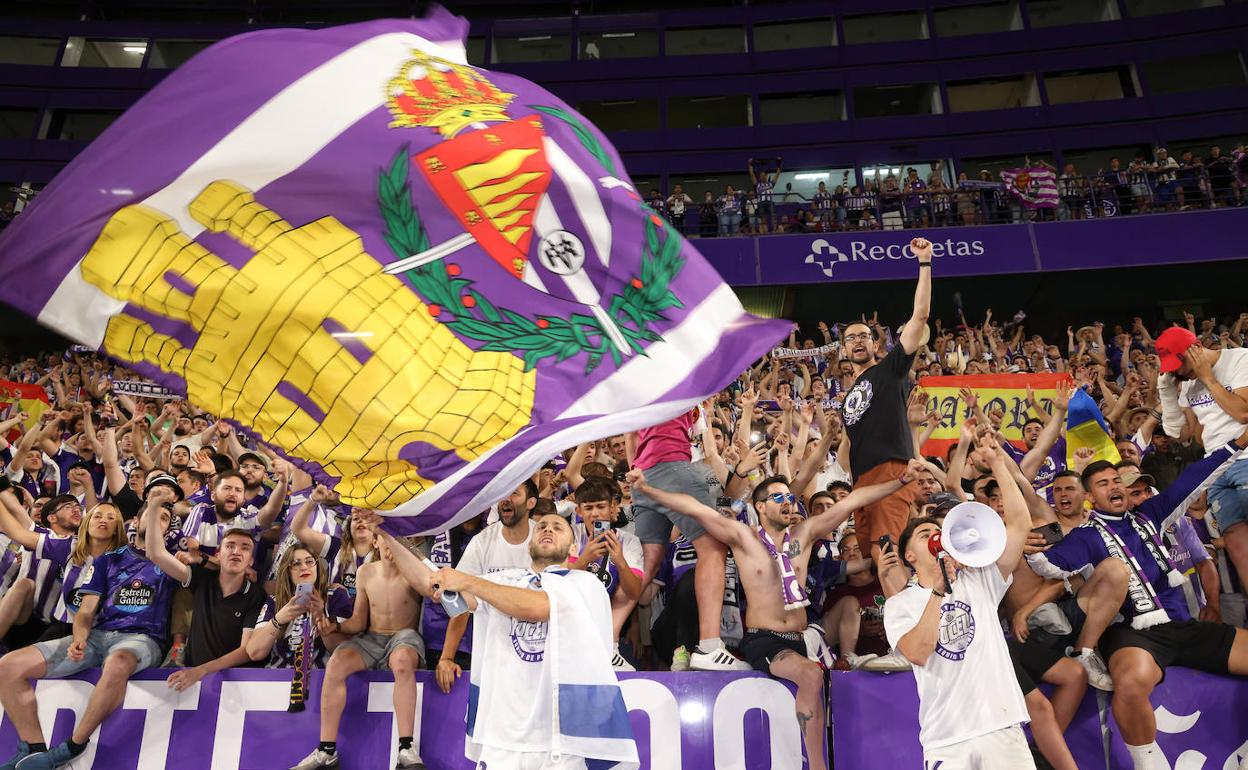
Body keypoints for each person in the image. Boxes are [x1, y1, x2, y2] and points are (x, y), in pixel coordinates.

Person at [630, 463, 923, 770]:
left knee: (819, 683)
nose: (788, 504)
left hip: (799, 637)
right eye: (779, 499)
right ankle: (818, 766)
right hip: (764, 640)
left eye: (790, 499)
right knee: (811, 674)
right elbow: (695, 508)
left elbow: (853, 500)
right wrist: (648, 489)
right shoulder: (743, 538)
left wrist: (900, 480)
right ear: (759, 506)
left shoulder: (804, 535)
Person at [1027, 426, 1248, 770]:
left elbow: (1193, 478)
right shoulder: (1084, 537)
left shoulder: (1152, 513)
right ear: (1089, 497)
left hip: (1182, 626)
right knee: (1130, 685)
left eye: (1116, 480)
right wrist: (1028, 545)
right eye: (1103, 484)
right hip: (1133, 635)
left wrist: (1237, 444)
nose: (1114, 486)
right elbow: (1046, 564)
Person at [399, 511, 636, 770]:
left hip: (562, 736)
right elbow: (432, 587)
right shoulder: (505, 582)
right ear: (530, 545)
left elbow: (538, 606)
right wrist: (389, 534)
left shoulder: (585, 583)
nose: (548, 529)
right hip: (505, 734)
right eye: (542, 526)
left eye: (558, 527)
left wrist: (468, 581)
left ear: (572, 547)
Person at [0, 491, 185, 770]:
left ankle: (70, 747)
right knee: (8, 666)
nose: (157, 520)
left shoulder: (174, 562)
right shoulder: (107, 560)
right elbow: (86, 609)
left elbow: (157, 553)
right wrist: (80, 636)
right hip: (98, 637)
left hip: (141, 640)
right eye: (151, 513)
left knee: (118, 662)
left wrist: (157, 502)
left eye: (164, 519)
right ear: (136, 520)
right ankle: (33, 749)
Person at [887, 435, 1037, 769]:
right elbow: (917, 652)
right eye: (925, 535)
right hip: (947, 738)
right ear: (909, 555)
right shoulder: (899, 605)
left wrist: (998, 463)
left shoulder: (980, 578)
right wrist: (939, 591)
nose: (936, 538)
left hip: (1001, 725)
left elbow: (1020, 524)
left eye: (937, 532)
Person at [290, 517, 431, 770]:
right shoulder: (366, 572)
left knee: (401, 661)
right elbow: (357, 622)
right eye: (386, 538)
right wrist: (336, 626)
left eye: (397, 539)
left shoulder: (414, 572)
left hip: (404, 636)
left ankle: (406, 748)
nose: (391, 545)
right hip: (372, 637)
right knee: (337, 662)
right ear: (376, 541)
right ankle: (326, 750)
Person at [841, 237, 933, 596]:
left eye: (864, 336)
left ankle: (906, 641)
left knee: (887, 552)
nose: (858, 342)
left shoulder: (891, 369)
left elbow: (920, 317)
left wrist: (924, 264)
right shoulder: (849, 395)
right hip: (861, 482)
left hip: (889, 473)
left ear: (876, 344)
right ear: (844, 350)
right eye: (850, 339)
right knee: (874, 556)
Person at [1155, 326, 1248, 611]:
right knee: (1235, 543)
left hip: (1246, 457)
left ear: (1194, 349)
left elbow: (1243, 412)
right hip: (1217, 467)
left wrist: (1208, 378)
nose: (1179, 373)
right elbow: (1186, 436)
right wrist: (1168, 395)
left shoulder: (1240, 359)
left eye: (1179, 364)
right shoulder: (1189, 384)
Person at [142, 487, 268, 692]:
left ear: (251, 560)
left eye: (245, 548)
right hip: (191, 679)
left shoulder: (255, 595)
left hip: (234, 684)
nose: (237, 552)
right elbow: (156, 554)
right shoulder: (201, 579)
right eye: (230, 546)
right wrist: (154, 506)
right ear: (218, 554)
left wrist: (201, 670)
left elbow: (246, 651)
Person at [435, 480, 537, 693]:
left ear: (531, 502)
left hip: (534, 658)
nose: (506, 499)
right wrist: (446, 657)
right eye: (503, 494)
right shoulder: (482, 542)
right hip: (491, 658)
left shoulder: (541, 540)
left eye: (514, 493)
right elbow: (461, 602)